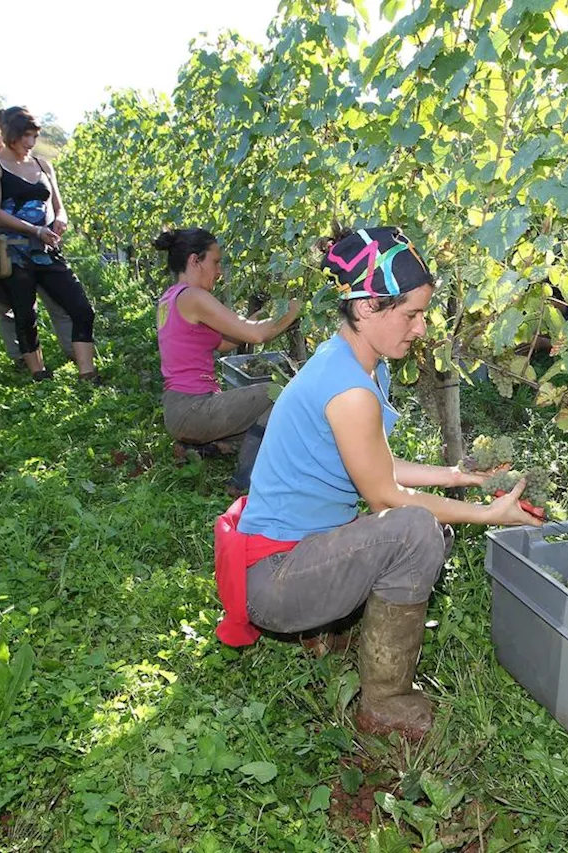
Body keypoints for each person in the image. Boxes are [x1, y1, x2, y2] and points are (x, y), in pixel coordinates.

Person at [216, 224, 543, 742]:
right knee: (416, 530)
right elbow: (386, 496)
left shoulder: (359, 364)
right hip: (275, 580)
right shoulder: (349, 387)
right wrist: (486, 513)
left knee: (428, 525)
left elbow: (377, 465)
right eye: (411, 313)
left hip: (298, 555)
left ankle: (329, 633)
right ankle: (384, 704)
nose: (420, 327)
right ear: (368, 307)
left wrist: (460, 477)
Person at [153, 227, 301, 488]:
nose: (219, 271)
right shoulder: (194, 297)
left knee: (264, 425)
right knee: (280, 394)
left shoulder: (170, 298)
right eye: (216, 262)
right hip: (194, 409)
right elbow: (255, 335)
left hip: (179, 409)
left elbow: (223, 342)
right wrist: (294, 309)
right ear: (194, 261)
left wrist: (270, 312)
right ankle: (246, 479)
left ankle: (204, 448)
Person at [0, 106, 100, 383]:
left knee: (81, 309)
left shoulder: (43, 165)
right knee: (25, 313)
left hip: (47, 250)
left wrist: (59, 220)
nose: (30, 143)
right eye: (25, 136)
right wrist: (35, 229)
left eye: (34, 137)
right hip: (13, 252)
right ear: (10, 134)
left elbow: (59, 206)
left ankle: (88, 374)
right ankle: (39, 375)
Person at [0, 110, 74, 369]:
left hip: (40, 240)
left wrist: (54, 221)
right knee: (8, 303)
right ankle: (22, 358)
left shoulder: (31, 164)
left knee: (55, 298)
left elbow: (54, 202)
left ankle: (71, 350)